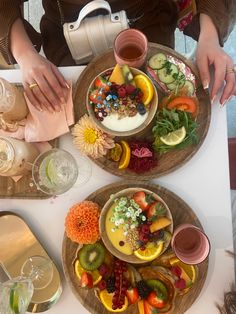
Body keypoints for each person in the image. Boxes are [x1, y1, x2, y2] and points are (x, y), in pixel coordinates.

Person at [0, 0, 235, 112]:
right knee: (76, 112)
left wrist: (210, 35)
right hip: (67, 37)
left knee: (157, 108)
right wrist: (25, 53)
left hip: (147, 26)